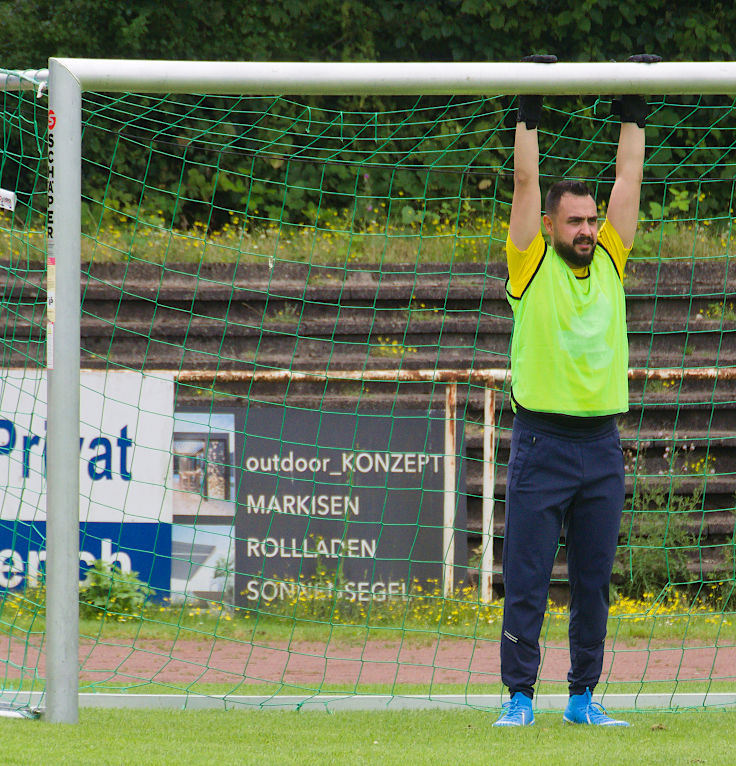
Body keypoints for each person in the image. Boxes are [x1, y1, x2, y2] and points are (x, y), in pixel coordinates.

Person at [493, 54, 660, 727]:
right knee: (529, 583)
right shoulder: (530, 265)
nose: (587, 229)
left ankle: (584, 697)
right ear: (553, 228)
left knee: (592, 586)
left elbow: (629, 177)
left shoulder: (614, 258)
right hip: (541, 442)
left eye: (592, 220)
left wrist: (635, 107)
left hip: (601, 447)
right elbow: (526, 182)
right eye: (575, 222)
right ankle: (520, 698)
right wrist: (528, 108)